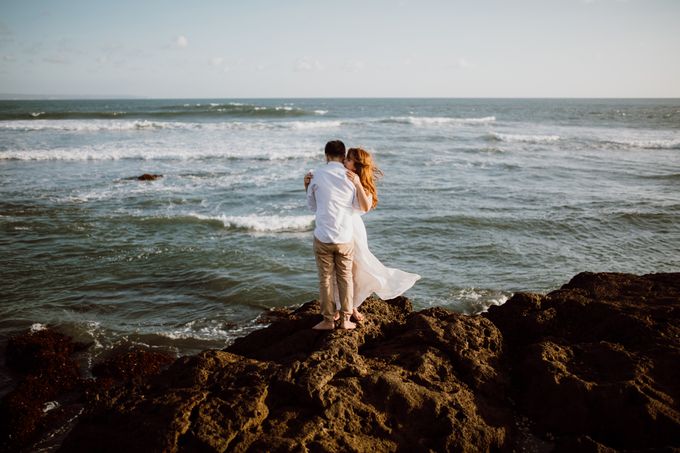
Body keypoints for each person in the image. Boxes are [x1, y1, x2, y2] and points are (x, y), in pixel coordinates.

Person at [305, 146, 420, 323]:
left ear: (357, 165)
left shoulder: (356, 180)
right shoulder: (341, 174)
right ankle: (341, 308)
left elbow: (365, 206)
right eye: (346, 158)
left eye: (349, 160)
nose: (345, 161)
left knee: (355, 271)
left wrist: (357, 183)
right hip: (339, 227)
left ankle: (351, 307)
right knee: (341, 273)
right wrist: (310, 184)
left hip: (353, 230)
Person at [305, 140, 371, 330]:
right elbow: (360, 208)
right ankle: (345, 320)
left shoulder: (315, 175)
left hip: (323, 236)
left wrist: (307, 186)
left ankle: (327, 320)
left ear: (326, 155)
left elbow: (312, 207)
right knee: (345, 278)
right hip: (344, 237)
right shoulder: (351, 177)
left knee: (325, 278)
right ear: (343, 157)